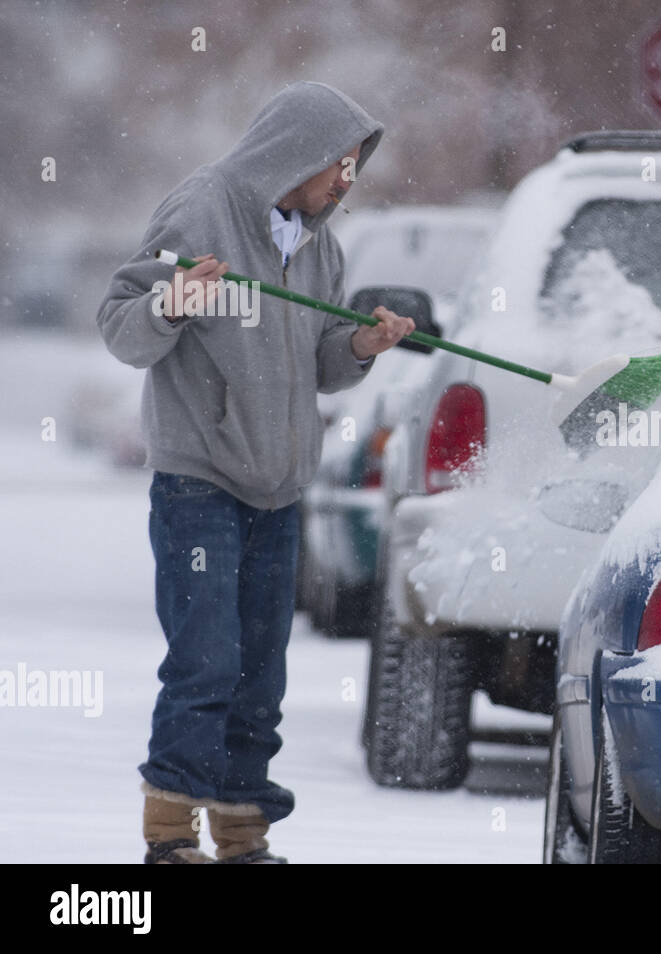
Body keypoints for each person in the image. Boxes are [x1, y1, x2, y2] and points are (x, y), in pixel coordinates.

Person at [97, 82, 414, 864]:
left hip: (280, 488)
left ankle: (243, 832)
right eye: (337, 163)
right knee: (207, 660)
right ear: (294, 150)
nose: (346, 180)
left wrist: (361, 349)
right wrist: (169, 306)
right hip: (198, 480)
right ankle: (170, 833)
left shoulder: (321, 247)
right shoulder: (201, 210)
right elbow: (122, 329)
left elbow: (322, 364)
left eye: (354, 166)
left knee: (260, 673)